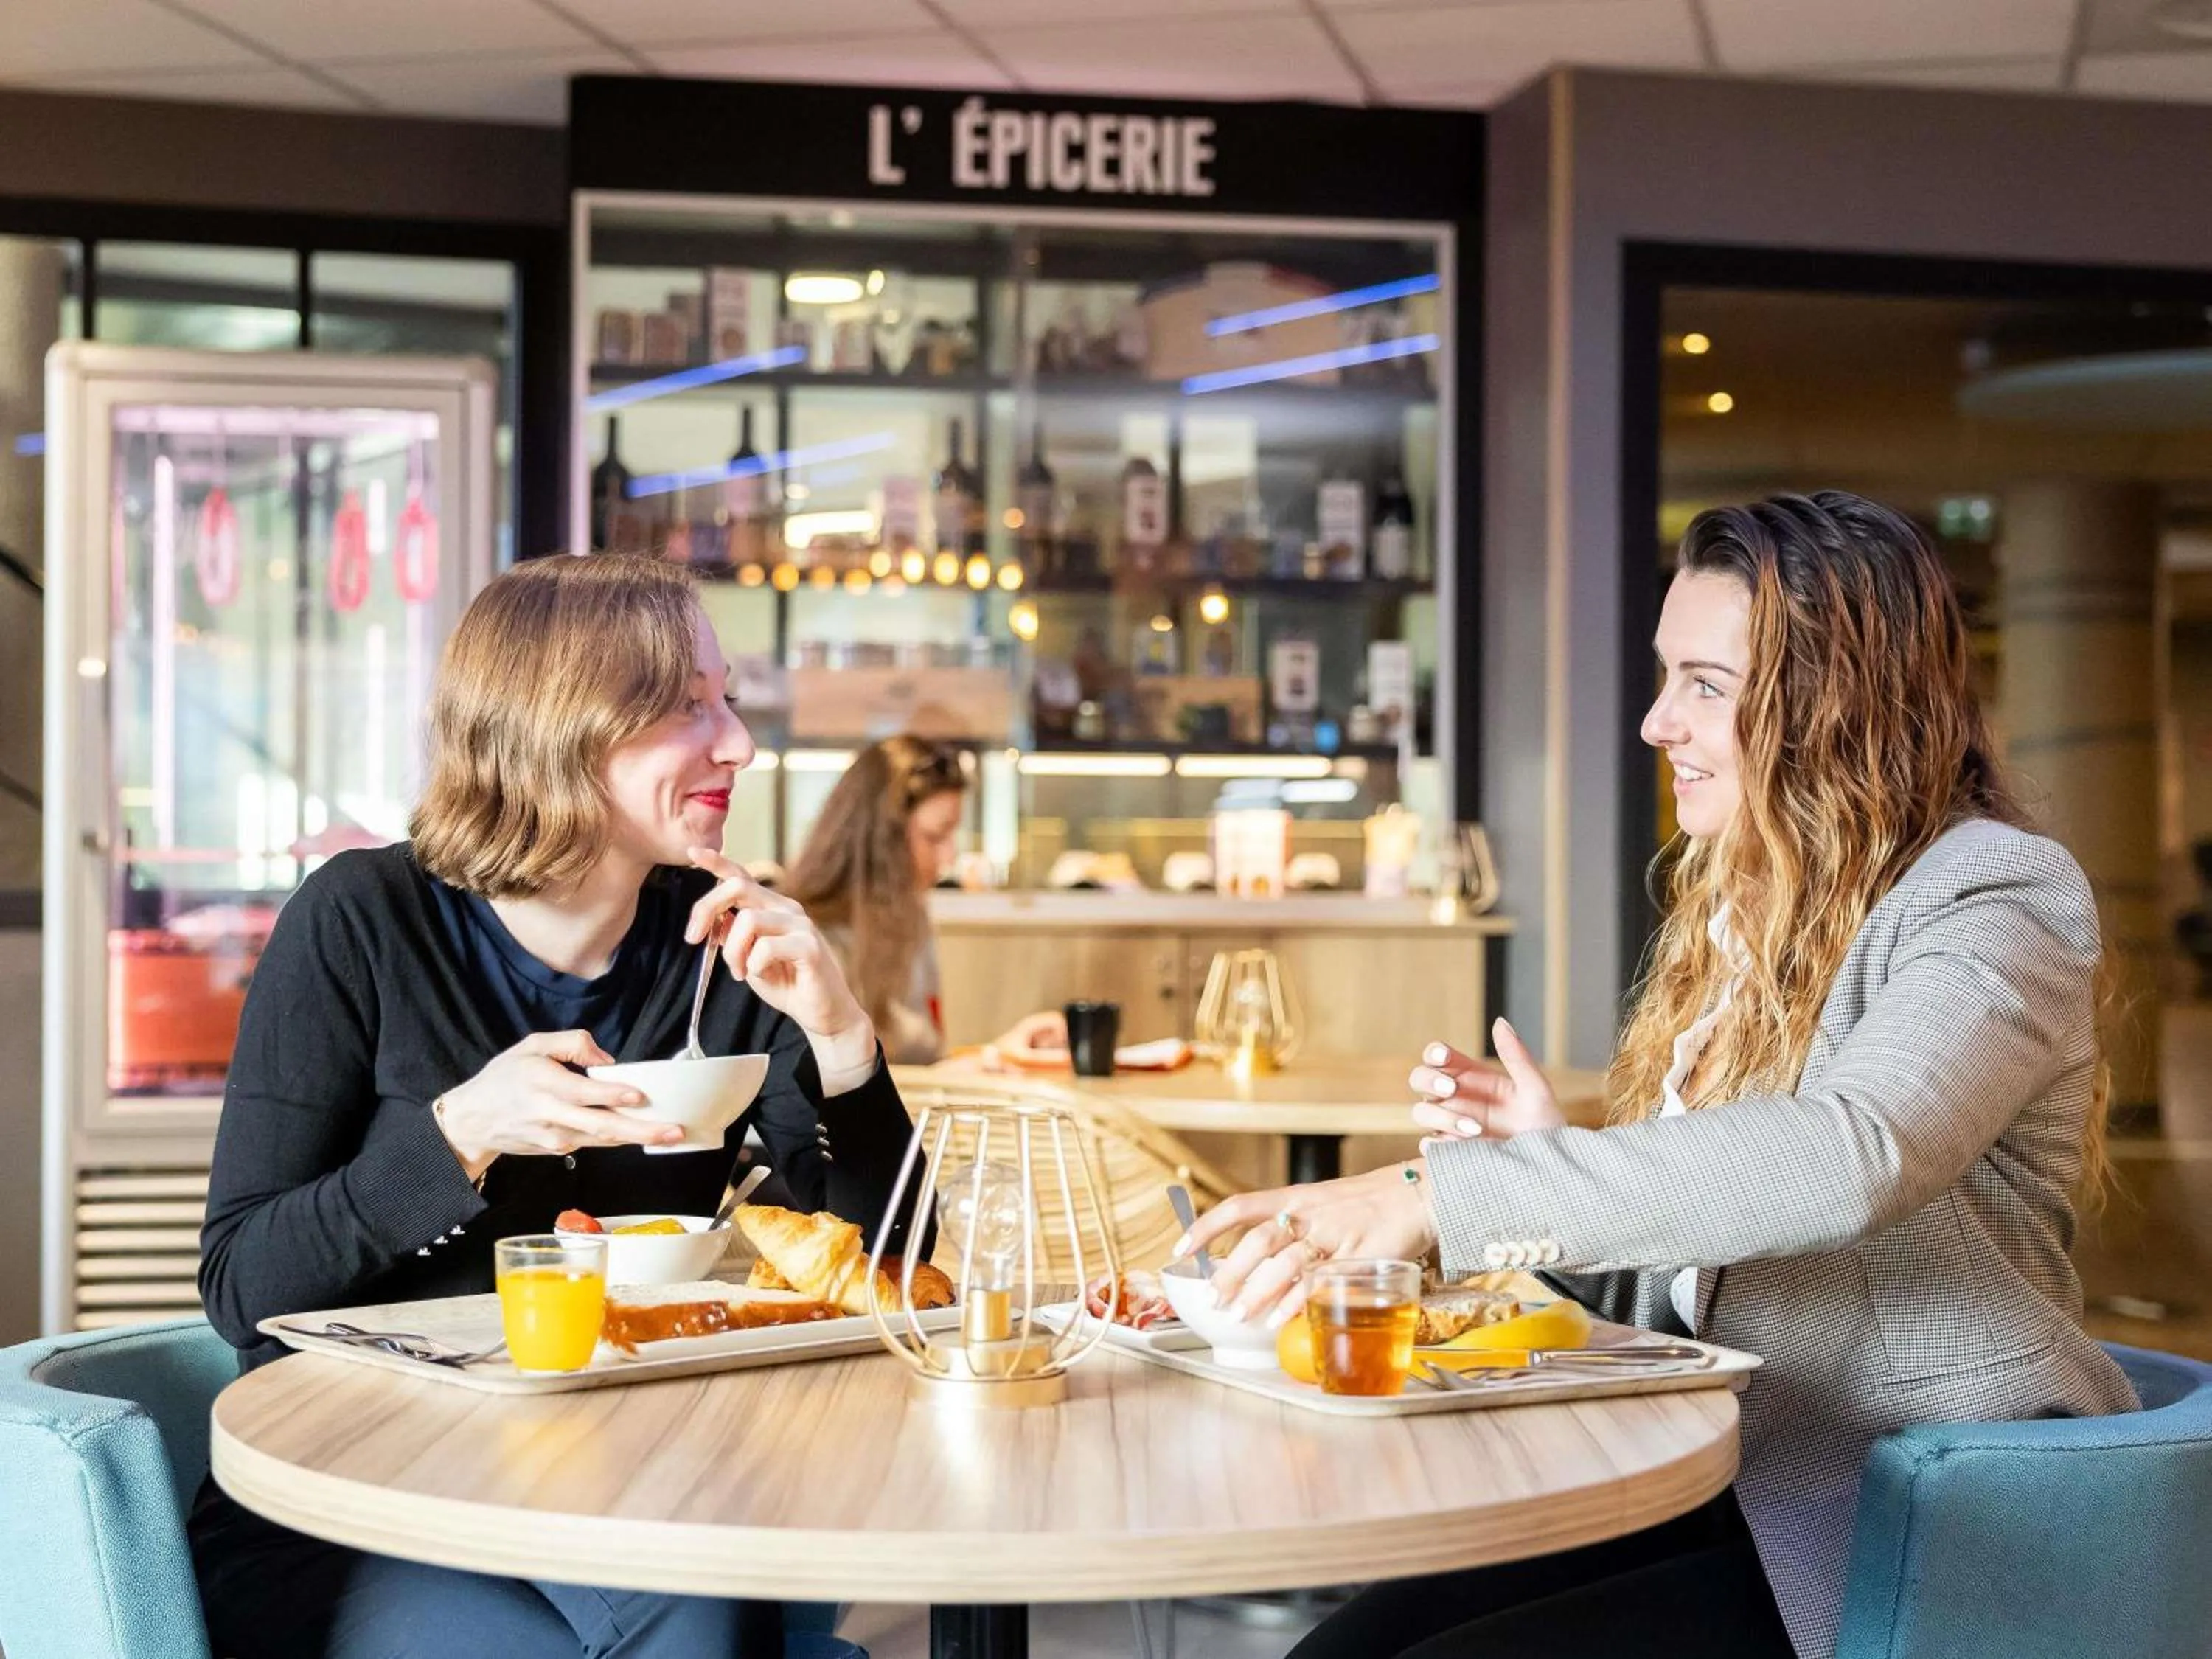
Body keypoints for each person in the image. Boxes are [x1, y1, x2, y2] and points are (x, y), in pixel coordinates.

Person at [1178, 491, 2139, 1659]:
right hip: (1730, 1482)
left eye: (1704, 684)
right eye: (1662, 674)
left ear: (1832, 702)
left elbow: (1855, 1149)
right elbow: (1708, 1288)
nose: (1653, 723)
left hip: (1901, 1519)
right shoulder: (1748, 908)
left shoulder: (1994, 896)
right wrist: (1542, 1169)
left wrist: (1438, 1200)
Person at [190, 553, 919, 1659]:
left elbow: (890, 1274)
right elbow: (242, 1286)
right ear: (565, 727)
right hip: (369, 1494)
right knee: (696, 1602)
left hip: (631, 1472)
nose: (738, 741)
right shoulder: (364, 920)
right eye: (689, 706)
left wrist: (844, 1040)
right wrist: (460, 1135)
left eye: (726, 697)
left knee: (694, 1583)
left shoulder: (724, 941)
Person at [785, 734, 1063, 1065]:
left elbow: (925, 1062)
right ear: (880, 840)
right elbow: (835, 1085)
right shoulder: (809, 937)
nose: (948, 858)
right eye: (935, 836)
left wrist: (1001, 1052)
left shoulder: (911, 916)